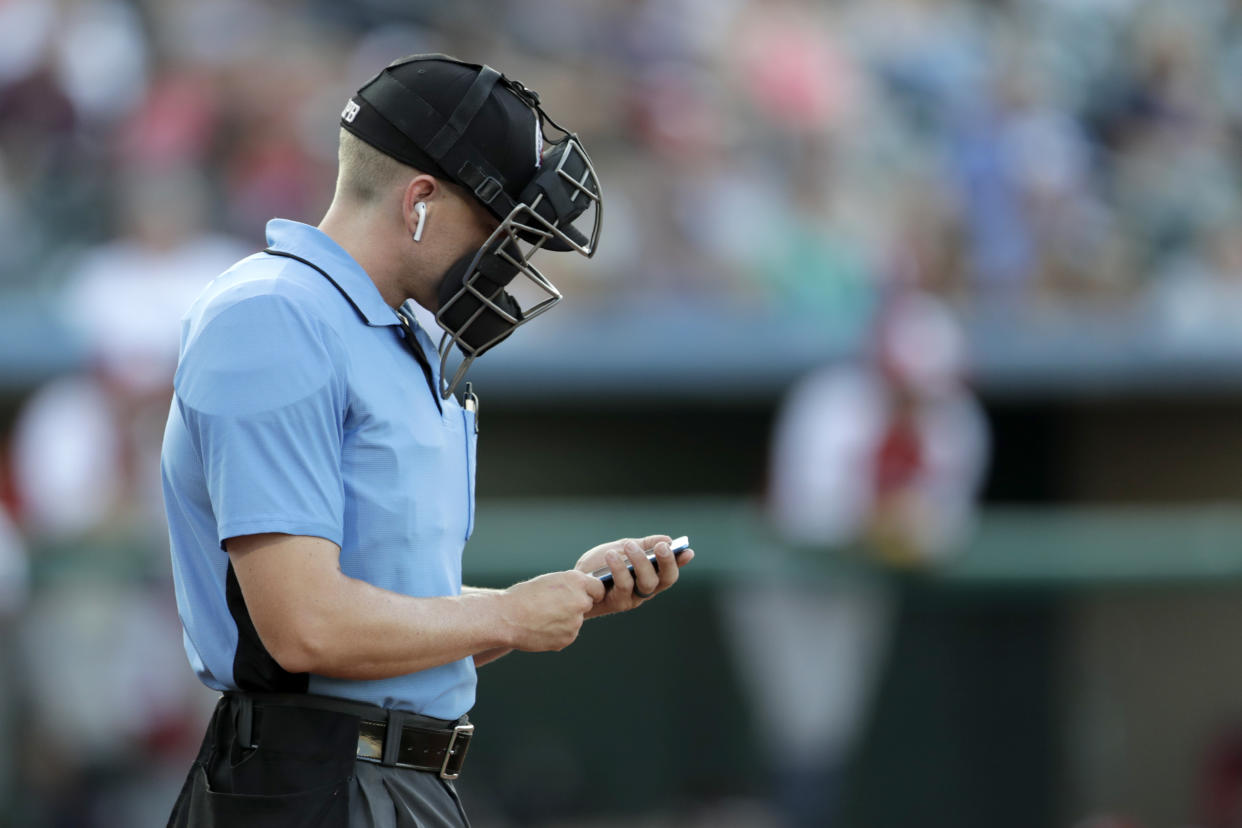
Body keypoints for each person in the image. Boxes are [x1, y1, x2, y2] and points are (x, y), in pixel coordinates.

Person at [161, 53, 693, 827]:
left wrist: (563, 596)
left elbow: (387, 616)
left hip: (388, 781)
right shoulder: (275, 315)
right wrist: (508, 615)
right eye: (498, 226)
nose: (509, 259)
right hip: (306, 782)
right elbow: (305, 627)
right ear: (419, 201)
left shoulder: (398, 330)